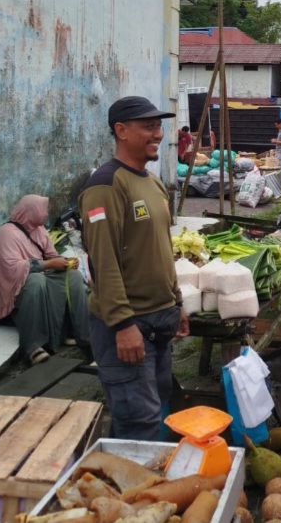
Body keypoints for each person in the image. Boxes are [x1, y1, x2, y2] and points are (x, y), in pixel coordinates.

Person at [79, 96, 189, 440]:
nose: (158, 133)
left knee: (155, 406)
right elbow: (103, 260)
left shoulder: (153, 183)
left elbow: (161, 248)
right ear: (121, 131)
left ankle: (134, 468)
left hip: (160, 319)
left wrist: (177, 302)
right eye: (148, 126)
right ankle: (129, 473)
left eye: (159, 126)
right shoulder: (106, 185)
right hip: (128, 325)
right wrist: (123, 324)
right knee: (138, 420)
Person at [0, 194, 90, 366]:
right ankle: (33, 347)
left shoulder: (39, 231)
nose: (46, 214)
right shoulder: (6, 235)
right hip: (13, 289)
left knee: (73, 276)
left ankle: (82, 335)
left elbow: (51, 255)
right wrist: (48, 264)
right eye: (43, 210)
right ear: (31, 211)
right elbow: (11, 269)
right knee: (36, 281)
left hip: (41, 276)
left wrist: (64, 263)